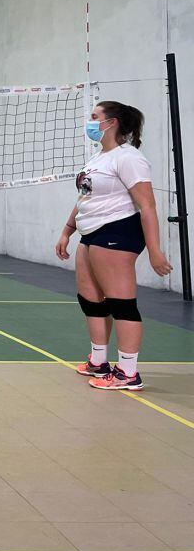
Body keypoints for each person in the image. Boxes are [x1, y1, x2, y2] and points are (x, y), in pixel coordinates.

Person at [55, 101, 171, 391]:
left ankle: (128, 372)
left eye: (95, 117)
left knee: (121, 303)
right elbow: (86, 198)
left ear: (113, 122)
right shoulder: (97, 158)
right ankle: (99, 361)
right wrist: (67, 230)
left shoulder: (128, 157)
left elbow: (147, 205)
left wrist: (155, 249)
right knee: (90, 299)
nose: (91, 122)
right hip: (90, 231)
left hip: (118, 230)